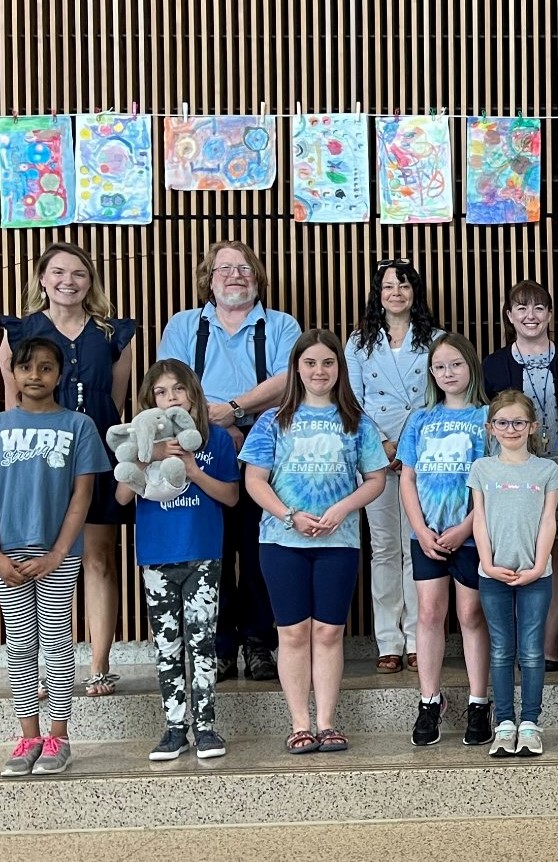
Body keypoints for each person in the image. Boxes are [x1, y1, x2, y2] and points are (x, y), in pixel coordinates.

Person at [0, 242, 136, 698]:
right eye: (58, 272)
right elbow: (12, 401)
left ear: (90, 281)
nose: (68, 281)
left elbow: (115, 400)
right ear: (41, 278)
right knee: (41, 557)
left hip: (96, 451)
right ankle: (36, 669)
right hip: (39, 454)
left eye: (78, 273)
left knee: (98, 557)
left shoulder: (114, 333)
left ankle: (98, 665)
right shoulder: (19, 332)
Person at [158, 240, 302, 683]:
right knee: (212, 552)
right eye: (225, 269)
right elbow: (170, 385)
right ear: (209, 278)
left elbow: (288, 380)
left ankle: (260, 643)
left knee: (261, 551)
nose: (235, 275)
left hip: (266, 453)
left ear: (257, 278)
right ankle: (218, 646)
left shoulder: (281, 326)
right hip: (201, 450)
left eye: (244, 268)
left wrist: (236, 411)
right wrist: (218, 427)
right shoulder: (184, 326)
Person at [0, 337, 111, 777]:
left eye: (46, 368)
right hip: (7, 554)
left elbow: (81, 497)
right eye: (26, 367)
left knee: (56, 643)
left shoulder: (79, 425)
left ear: (59, 374)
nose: (35, 376)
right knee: (20, 647)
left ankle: (58, 736)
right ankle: (28, 736)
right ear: (13, 372)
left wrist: (58, 553)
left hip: (56, 553)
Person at [239, 330, 388, 755]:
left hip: (338, 542)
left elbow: (376, 479)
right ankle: (299, 724)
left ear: (339, 368)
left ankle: (326, 722)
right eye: (310, 363)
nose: (319, 371)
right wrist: (288, 515)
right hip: (282, 541)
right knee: (292, 633)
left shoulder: (356, 421)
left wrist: (343, 509)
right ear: (297, 369)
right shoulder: (273, 420)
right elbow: (254, 479)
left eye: (327, 363)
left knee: (328, 632)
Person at [116, 360, 240, 761]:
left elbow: (231, 497)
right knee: (167, 646)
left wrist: (191, 468)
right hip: (157, 556)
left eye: (178, 390)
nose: (170, 399)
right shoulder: (142, 442)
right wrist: (143, 458)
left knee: (202, 644)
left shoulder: (215, 440)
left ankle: (206, 727)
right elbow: (121, 497)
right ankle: (174, 729)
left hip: (203, 554)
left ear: (193, 395)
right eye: (161, 392)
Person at [482, 280, 558, 671]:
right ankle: (511, 647)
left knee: (555, 555)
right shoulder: (492, 364)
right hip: (511, 472)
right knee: (511, 549)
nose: (530, 316)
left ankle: (547, 645)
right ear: (509, 316)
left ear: (550, 315)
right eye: (521, 308)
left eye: (539, 308)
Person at [345, 258, 440, 675]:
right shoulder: (359, 343)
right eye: (387, 287)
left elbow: (440, 398)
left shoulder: (436, 340)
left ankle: (420, 637)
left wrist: (410, 447)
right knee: (384, 547)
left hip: (421, 456)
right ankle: (389, 641)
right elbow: (351, 401)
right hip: (376, 457)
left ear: (414, 293)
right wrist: (382, 445)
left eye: (403, 286)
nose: (396, 293)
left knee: (416, 545)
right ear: (377, 294)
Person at [399, 333, 493, 747]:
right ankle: (429, 700)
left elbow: (494, 482)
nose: (448, 372)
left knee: (471, 614)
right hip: (429, 535)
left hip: (471, 536)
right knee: (429, 613)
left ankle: (478, 701)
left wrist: (466, 528)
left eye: (456, 364)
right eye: (439, 366)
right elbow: (407, 477)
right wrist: (420, 529)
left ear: (470, 366)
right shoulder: (420, 420)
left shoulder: (488, 417)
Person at [467, 391, 558, 757]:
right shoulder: (482, 469)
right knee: (501, 649)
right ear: (491, 428)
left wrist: (539, 566)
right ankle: (504, 723)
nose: (511, 429)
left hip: (535, 576)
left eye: (519, 422)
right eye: (503, 422)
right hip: (492, 574)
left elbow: (547, 521)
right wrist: (488, 563)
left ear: (533, 427)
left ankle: (530, 724)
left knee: (531, 650)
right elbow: (479, 519)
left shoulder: (547, 470)